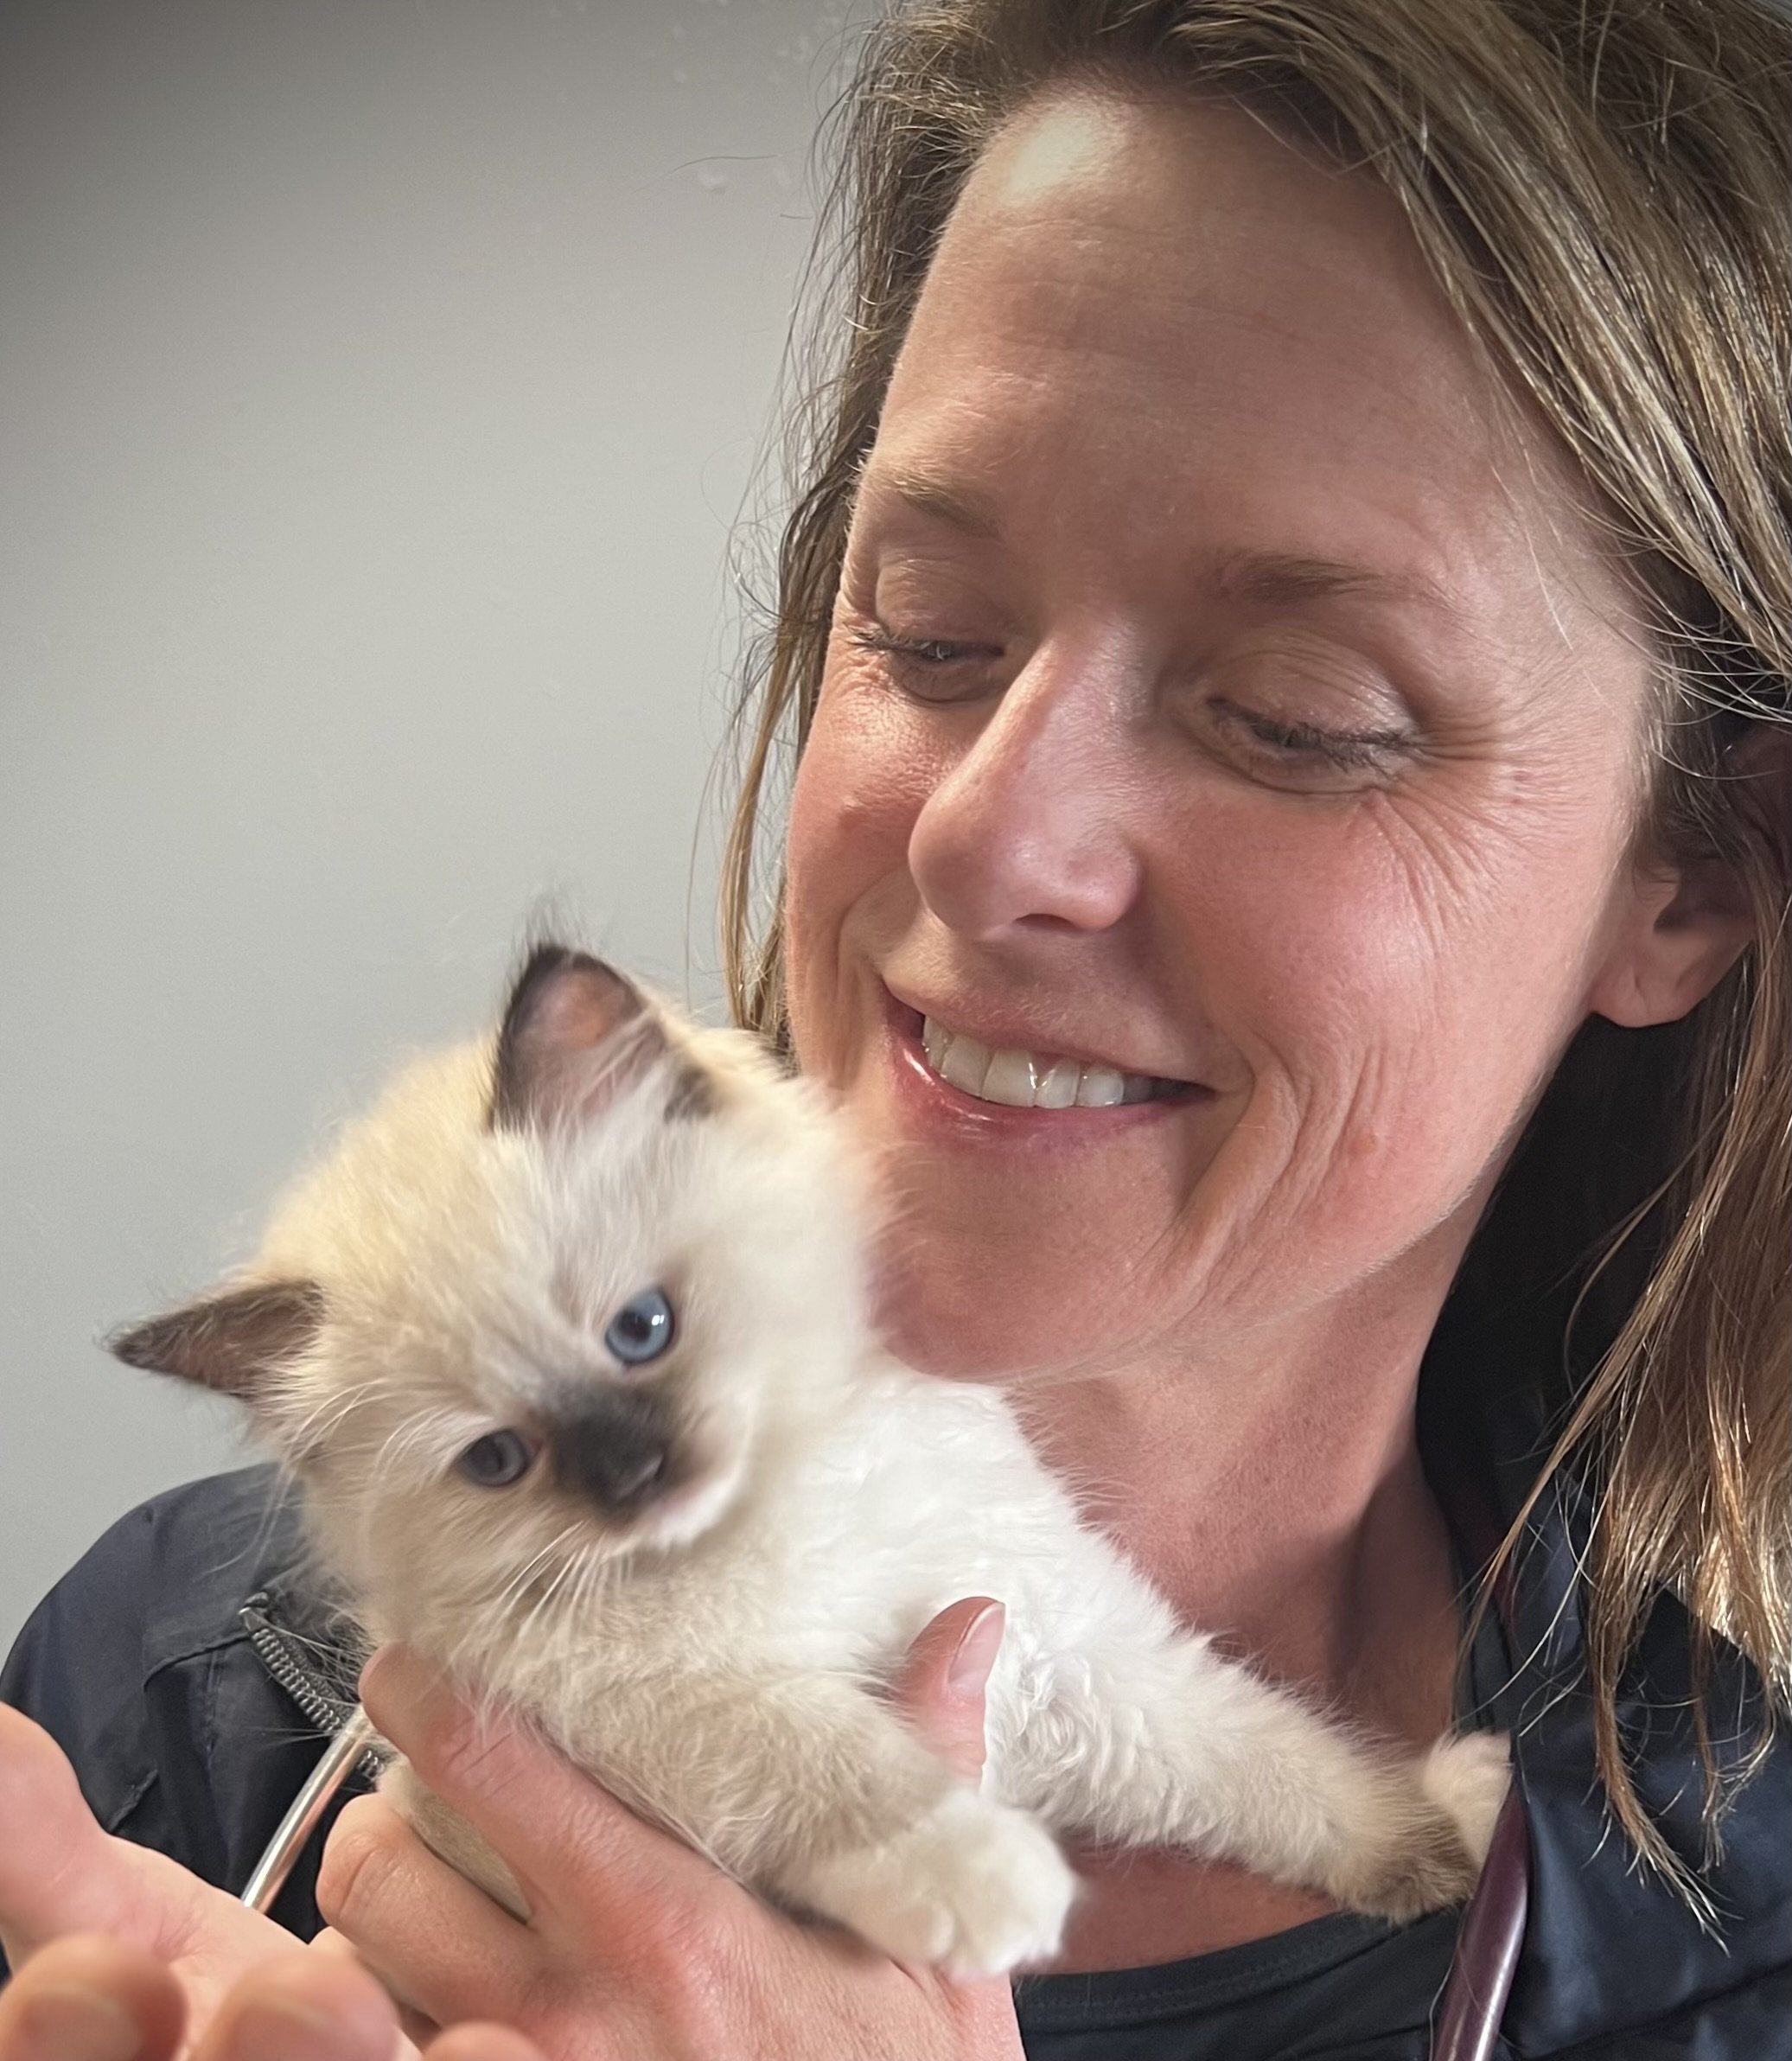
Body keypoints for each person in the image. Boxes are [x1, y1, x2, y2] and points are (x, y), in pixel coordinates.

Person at [2, 0, 1787, 2055]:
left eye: (1295, 716)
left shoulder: (1734, 1944)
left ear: (1693, 881)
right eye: (925, 633)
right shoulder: (179, 1708)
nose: (980, 833)